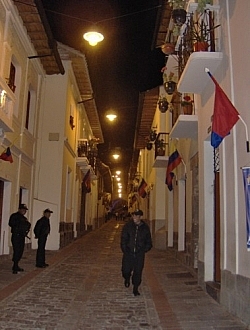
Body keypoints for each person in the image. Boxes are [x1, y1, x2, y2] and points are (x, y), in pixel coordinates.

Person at [120, 209, 152, 296]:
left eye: (136, 216)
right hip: (128, 252)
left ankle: (135, 288)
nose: (134, 217)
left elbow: (148, 241)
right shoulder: (128, 226)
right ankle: (127, 278)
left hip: (139, 254)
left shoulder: (145, 228)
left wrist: (144, 249)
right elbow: (123, 238)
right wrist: (124, 249)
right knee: (126, 270)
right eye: (133, 215)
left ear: (140, 217)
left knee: (138, 271)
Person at [8, 203, 31, 274]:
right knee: (17, 250)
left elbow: (27, 225)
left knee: (20, 251)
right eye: (23, 210)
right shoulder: (14, 216)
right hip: (16, 236)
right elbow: (11, 223)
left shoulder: (24, 218)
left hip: (21, 236)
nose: (24, 211)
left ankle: (16, 264)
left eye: (25, 210)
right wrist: (19, 225)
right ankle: (15, 266)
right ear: (20, 209)